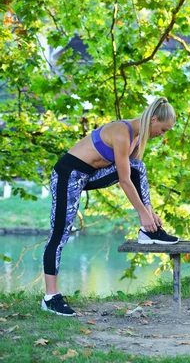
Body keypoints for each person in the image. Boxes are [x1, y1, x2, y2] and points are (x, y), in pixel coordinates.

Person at [42, 97, 179, 316]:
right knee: (60, 234)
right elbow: (124, 181)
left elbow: (132, 176)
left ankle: (149, 230)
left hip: (89, 175)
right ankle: (51, 297)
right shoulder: (121, 132)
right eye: (163, 129)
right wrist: (142, 213)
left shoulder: (135, 137)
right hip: (68, 174)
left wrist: (150, 215)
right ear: (153, 120)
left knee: (138, 167)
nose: (163, 135)